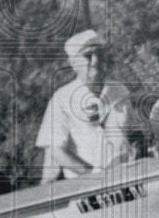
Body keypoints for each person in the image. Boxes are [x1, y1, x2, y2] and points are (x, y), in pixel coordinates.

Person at [36, 29, 144, 181]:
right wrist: (93, 176)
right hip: (87, 191)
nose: (96, 61)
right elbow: (57, 152)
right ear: (73, 63)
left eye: (99, 55)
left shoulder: (119, 90)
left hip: (127, 178)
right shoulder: (61, 99)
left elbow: (134, 132)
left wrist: (137, 149)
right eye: (88, 56)